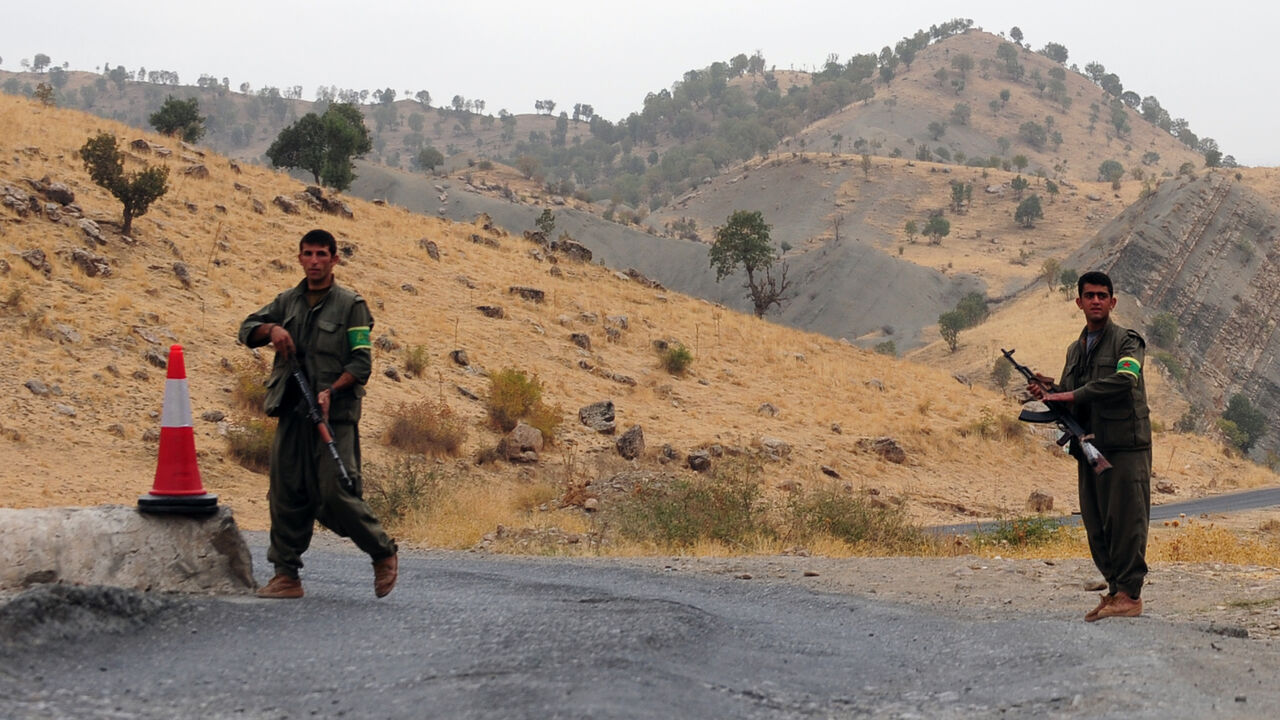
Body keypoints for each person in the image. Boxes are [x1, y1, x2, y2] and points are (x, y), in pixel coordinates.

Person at [238, 229, 398, 599]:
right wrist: (273, 329)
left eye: (322, 254)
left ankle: (381, 550)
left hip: (333, 416)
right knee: (284, 491)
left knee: (335, 491)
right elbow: (246, 329)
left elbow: (361, 363)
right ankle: (286, 574)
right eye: (307, 254)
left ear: (334, 259)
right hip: (292, 411)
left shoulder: (351, 305)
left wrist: (331, 390)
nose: (314, 261)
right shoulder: (288, 301)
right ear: (299, 258)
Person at [1028, 270, 1151, 622]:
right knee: (1097, 523)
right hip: (1089, 447)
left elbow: (1125, 378)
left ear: (1112, 302)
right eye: (1089, 295)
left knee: (1127, 521)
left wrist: (1067, 393)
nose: (1096, 300)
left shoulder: (1128, 342)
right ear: (1079, 302)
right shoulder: (1075, 349)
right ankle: (1114, 592)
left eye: (1102, 295)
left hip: (1125, 447)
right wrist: (1048, 393)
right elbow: (1070, 399)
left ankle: (1130, 595)